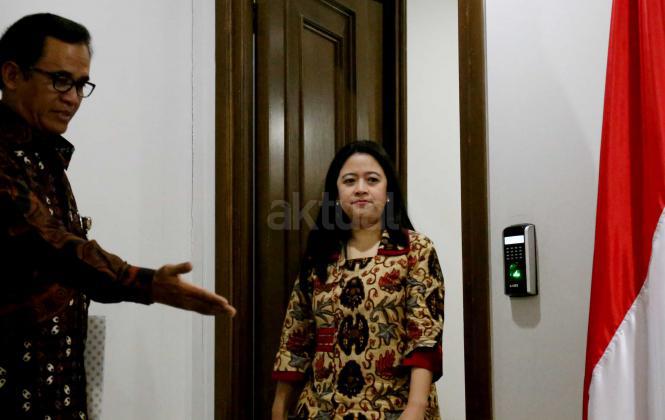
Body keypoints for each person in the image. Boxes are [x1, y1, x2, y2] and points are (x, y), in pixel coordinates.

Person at [0, 13, 235, 419]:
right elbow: (50, 244)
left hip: (54, 390)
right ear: (12, 74)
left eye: (80, 84)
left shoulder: (45, 155)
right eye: (60, 80)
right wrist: (145, 283)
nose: (73, 98)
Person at [271, 141, 445, 419]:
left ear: (388, 192)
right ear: (336, 193)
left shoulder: (415, 250)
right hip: (321, 409)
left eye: (372, 180)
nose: (361, 188)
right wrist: (279, 406)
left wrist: (416, 406)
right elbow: (295, 336)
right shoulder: (320, 256)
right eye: (349, 180)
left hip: (393, 408)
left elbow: (425, 336)